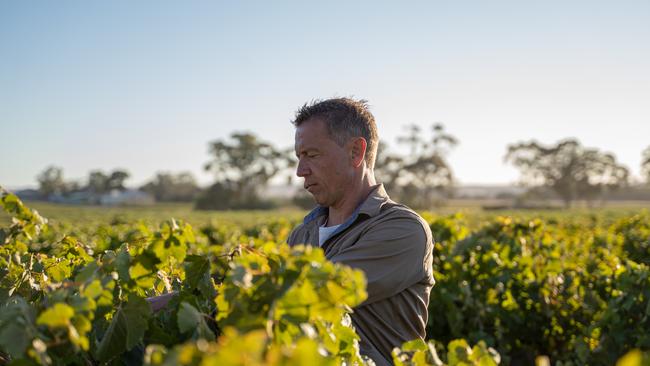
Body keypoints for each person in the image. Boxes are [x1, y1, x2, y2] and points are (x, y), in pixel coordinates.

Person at [287, 97, 435, 366]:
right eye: (299, 157)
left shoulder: (403, 230)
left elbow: (318, 290)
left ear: (356, 152)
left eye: (312, 155)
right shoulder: (302, 235)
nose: (300, 171)